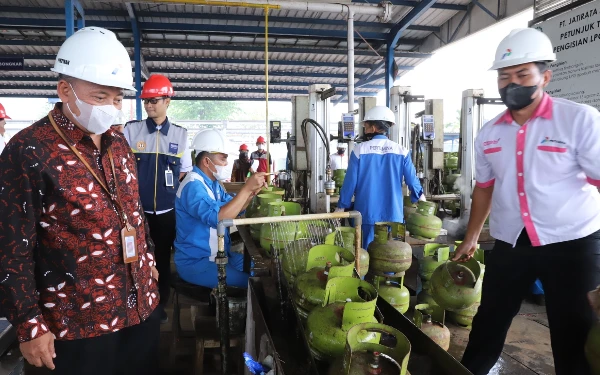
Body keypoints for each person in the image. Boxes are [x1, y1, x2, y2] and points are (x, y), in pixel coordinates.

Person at [0, 27, 160, 375]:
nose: (110, 108)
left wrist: (148, 261)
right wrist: (28, 325)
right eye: (99, 97)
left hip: (140, 307)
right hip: (76, 323)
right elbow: (11, 245)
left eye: (116, 99)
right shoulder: (29, 150)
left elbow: (133, 211)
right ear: (64, 90)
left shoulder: (118, 143)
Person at [453, 28, 600, 375]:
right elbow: (485, 188)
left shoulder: (579, 120)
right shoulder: (489, 133)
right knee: (488, 321)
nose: (511, 83)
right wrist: (472, 236)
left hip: (573, 242)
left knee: (573, 334)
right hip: (510, 241)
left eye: (522, 74)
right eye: (504, 76)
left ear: (544, 77)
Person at [123, 74, 192, 324]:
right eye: (146, 101)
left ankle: (158, 305)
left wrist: (166, 192)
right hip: (136, 213)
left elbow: (184, 170)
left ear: (167, 101)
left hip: (166, 213)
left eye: (155, 100)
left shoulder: (181, 135)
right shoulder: (132, 131)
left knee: (162, 258)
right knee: (133, 258)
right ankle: (134, 305)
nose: (150, 105)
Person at [174, 129, 266, 289]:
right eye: (223, 159)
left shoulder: (214, 183)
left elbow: (233, 210)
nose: (226, 164)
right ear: (206, 161)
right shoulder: (193, 186)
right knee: (253, 284)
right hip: (197, 263)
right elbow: (219, 218)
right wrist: (245, 189)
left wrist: (250, 193)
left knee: (263, 272)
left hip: (221, 254)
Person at [336, 106, 425, 249]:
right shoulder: (402, 151)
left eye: (366, 125)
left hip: (366, 213)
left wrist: (342, 206)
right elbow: (412, 181)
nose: (364, 128)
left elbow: (350, 182)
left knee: (363, 258)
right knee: (390, 258)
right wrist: (421, 200)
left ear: (374, 127)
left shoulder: (360, 150)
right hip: (394, 216)